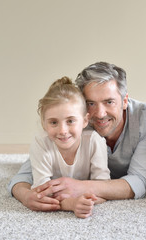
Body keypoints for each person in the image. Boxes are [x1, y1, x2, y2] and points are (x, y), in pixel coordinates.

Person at [8, 62, 146, 212]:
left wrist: (81, 187)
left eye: (109, 102)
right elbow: (26, 174)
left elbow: (139, 181)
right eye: (91, 103)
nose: (100, 114)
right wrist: (27, 196)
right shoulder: (74, 121)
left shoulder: (145, 118)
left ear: (124, 101)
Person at [29, 77, 110, 218]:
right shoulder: (40, 142)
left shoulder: (94, 141)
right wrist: (71, 204)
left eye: (70, 121)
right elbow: (41, 194)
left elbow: (103, 187)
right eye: (53, 122)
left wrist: (85, 200)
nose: (62, 130)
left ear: (85, 120)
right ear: (43, 123)